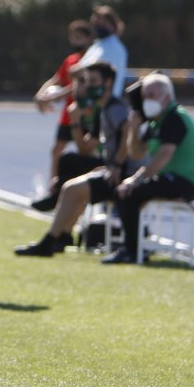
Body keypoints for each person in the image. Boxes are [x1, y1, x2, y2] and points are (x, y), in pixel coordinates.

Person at [15, 62, 143, 257]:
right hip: (111, 168)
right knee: (70, 166)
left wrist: (116, 164)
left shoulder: (115, 107)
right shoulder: (102, 109)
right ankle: (61, 235)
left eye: (93, 81)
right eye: (86, 81)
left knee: (71, 189)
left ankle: (51, 241)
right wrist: (74, 120)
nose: (88, 86)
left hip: (124, 174)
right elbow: (84, 148)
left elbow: (128, 130)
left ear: (108, 83)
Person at [103, 73, 194, 264]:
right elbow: (137, 153)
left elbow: (164, 155)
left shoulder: (174, 118)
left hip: (184, 182)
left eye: (151, 95)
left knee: (130, 193)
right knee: (124, 193)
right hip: (168, 179)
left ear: (166, 97)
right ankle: (133, 247)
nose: (146, 100)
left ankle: (133, 251)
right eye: (144, 96)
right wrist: (133, 128)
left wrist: (137, 179)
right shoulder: (157, 120)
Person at [32, 19, 95, 204]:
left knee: (86, 152)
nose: (76, 41)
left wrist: (53, 97)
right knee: (57, 151)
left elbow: (76, 86)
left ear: (89, 38)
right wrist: (41, 94)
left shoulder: (91, 60)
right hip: (68, 114)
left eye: (80, 37)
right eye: (73, 37)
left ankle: (85, 191)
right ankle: (54, 190)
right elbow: (57, 79)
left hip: (85, 113)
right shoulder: (70, 59)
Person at [71, 5, 128, 92]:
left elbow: (87, 70)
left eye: (103, 24)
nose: (99, 27)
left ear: (112, 24)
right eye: (96, 24)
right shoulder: (97, 46)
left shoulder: (115, 48)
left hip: (106, 101)